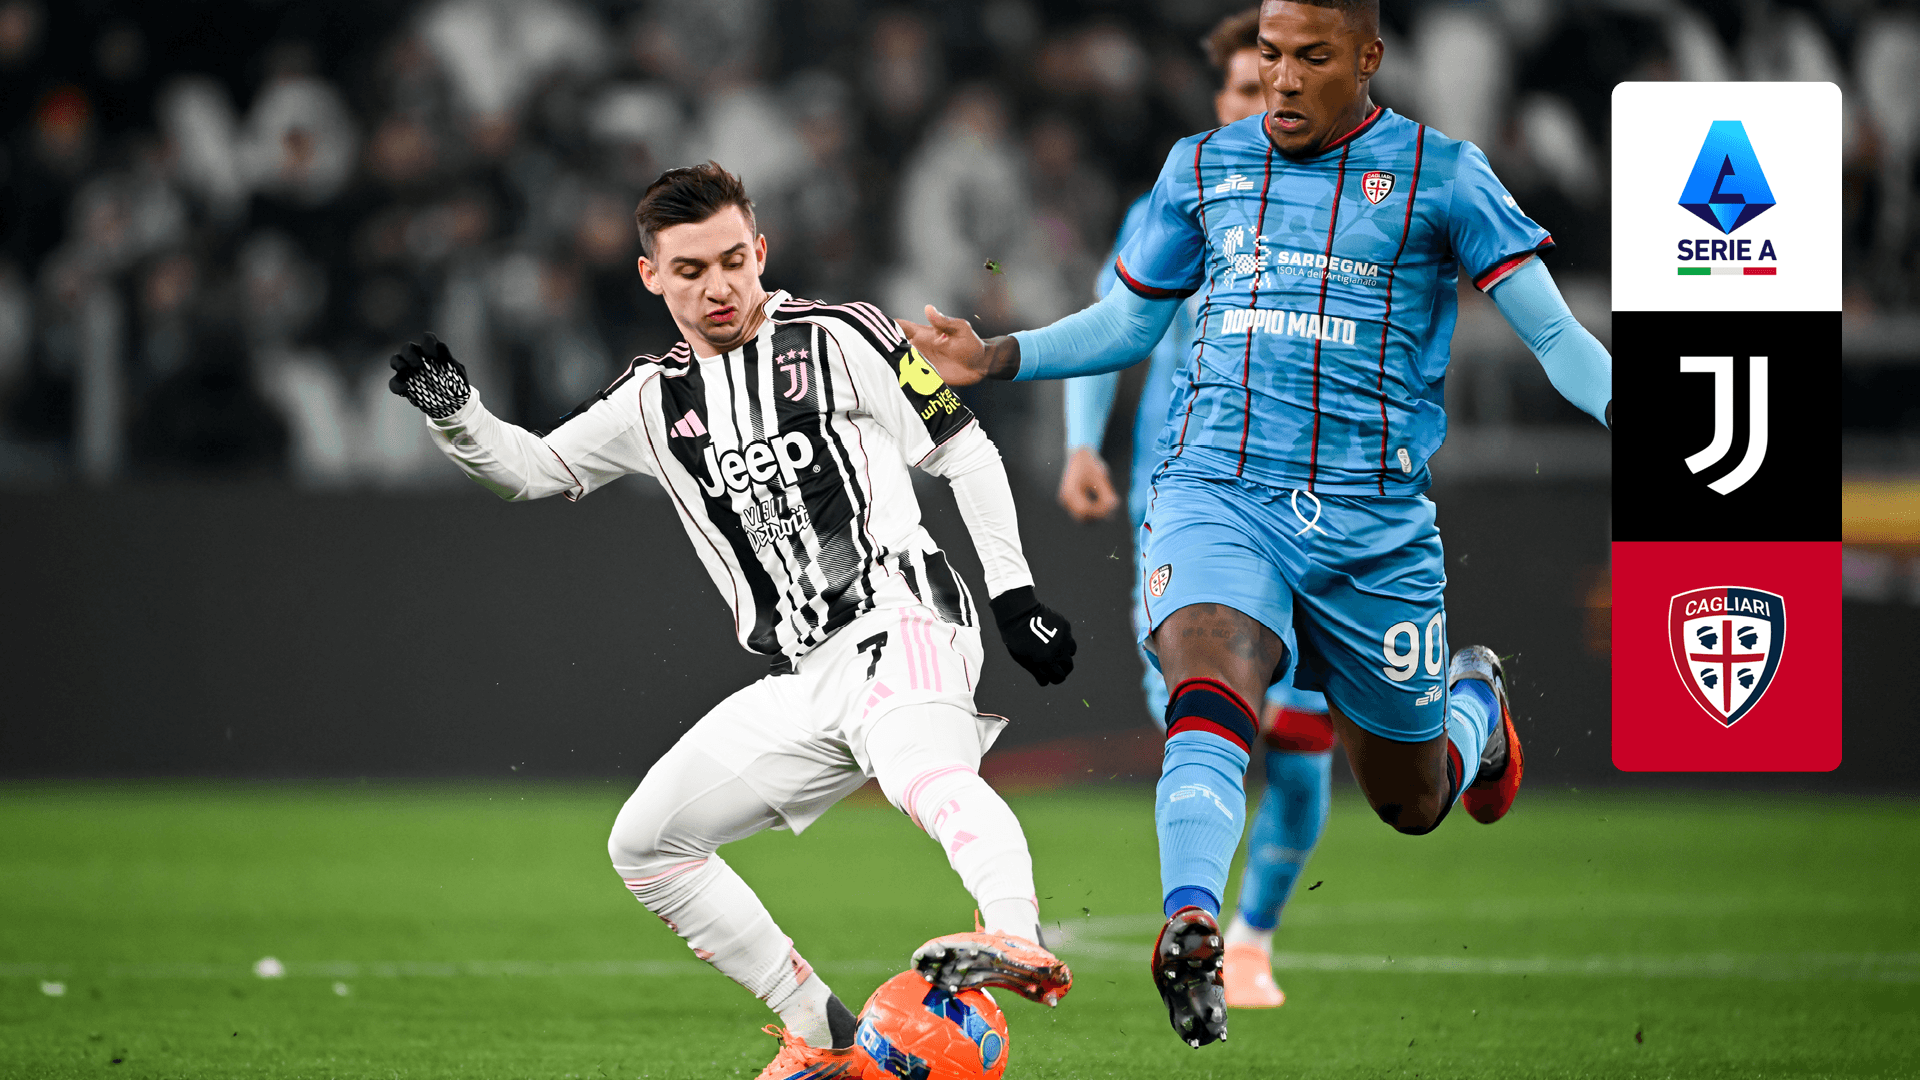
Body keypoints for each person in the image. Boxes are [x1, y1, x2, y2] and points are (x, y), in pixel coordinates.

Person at [901, 0, 1612, 1049]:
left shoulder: (1446, 176)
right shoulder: (1202, 168)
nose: (1282, 77)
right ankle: (1194, 923)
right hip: (1218, 490)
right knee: (1210, 682)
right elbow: (1129, 320)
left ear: (1368, 59)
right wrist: (998, 355)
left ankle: (1476, 705)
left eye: (1312, 58)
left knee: (1412, 802)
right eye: (1271, 55)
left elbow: (1552, 335)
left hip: (1372, 528)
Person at [389, 162, 1080, 1079]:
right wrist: (459, 415)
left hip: (904, 620)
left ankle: (1017, 937)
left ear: (760, 250)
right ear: (651, 276)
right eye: (689, 270)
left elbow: (965, 449)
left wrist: (1014, 595)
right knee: (648, 845)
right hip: (805, 674)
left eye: (731, 261)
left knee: (923, 773)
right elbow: (534, 471)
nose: (717, 286)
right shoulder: (649, 400)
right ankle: (821, 1031)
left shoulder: (845, 336)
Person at [1056, 7, 1332, 1013]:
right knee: (1207, 711)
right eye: (1247, 90)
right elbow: (1112, 322)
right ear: (1221, 101)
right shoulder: (1178, 202)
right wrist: (1082, 443)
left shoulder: (1344, 214)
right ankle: (1208, 918)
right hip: (1189, 505)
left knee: (1300, 750)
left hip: (1315, 511)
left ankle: (1251, 938)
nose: (1266, 105)